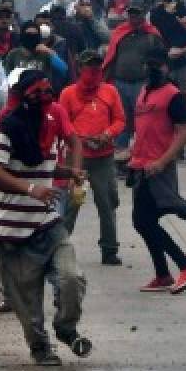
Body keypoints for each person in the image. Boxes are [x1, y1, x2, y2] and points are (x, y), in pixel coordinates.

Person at [0, 69, 91, 365]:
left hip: (48, 223)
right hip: (13, 230)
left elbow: (44, 166)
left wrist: (69, 172)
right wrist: (30, 188)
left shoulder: (48, 125)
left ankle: (66, 328)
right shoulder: (5, 130)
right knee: (28, 306)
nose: (45, 99)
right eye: (38, 93)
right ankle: (41, 348)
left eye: (48, 92)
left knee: (71, 278)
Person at [128, 48, 186, 295]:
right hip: (140, 167)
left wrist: (162, 162)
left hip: (157, 169)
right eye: (148, 65)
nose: (152, 70)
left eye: (157, 65)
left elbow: (183, 132)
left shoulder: (174, 95)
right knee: (144, 221)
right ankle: (162, 274)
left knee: (144, 221)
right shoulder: (143, 92)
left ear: (166, 68)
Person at [59, 50, 126, 265]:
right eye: (90, 67)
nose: (95, 71)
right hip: (77, 159)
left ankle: (109, 249)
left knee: (107, 204)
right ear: (80, 68)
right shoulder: (68, 94)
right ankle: (58, 247)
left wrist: (106, 134)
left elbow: (120, 120)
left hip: (103, 157)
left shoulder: (110, 91)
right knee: (71, 204)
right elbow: (63, 124)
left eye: (98, 67)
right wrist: (80, 140)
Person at [102, 0, 165, 155]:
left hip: (142, 84)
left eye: (137, 12)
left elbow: (160, 59)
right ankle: (120, 155)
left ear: (143, 14)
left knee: (143, 119)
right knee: (121, 120)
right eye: (131, 12)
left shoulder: (152, 35)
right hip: (120, 83)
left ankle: (142, 153)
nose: (133, 16)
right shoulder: (120, 32)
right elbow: (111, 57)